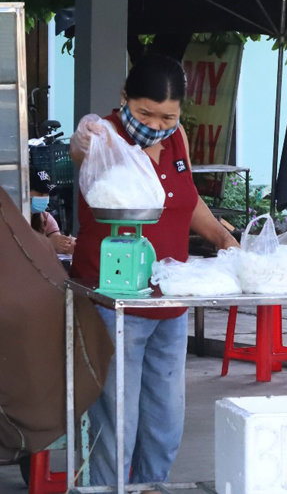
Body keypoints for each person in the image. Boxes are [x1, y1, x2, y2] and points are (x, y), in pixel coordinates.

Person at [69, 53, 239, 487]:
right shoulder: (101, 136)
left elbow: (187, 199)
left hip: (171, 300)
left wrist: (222, 237)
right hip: (113, 304)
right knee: (115, 424)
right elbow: (79, 149)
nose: (158, 124)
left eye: (168, 116)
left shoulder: (177, 138)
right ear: (124, 98)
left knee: (165, 422)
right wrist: (82, 141)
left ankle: (152, 486)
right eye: (146, 113)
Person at [28, 166, 74, 255]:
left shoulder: (45, 218)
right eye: (41, 194)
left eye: (47, 194)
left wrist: (67, 244)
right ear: (24, 191)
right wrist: (48, 243)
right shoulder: (10, 217)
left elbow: (57, 239)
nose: (45, 198)